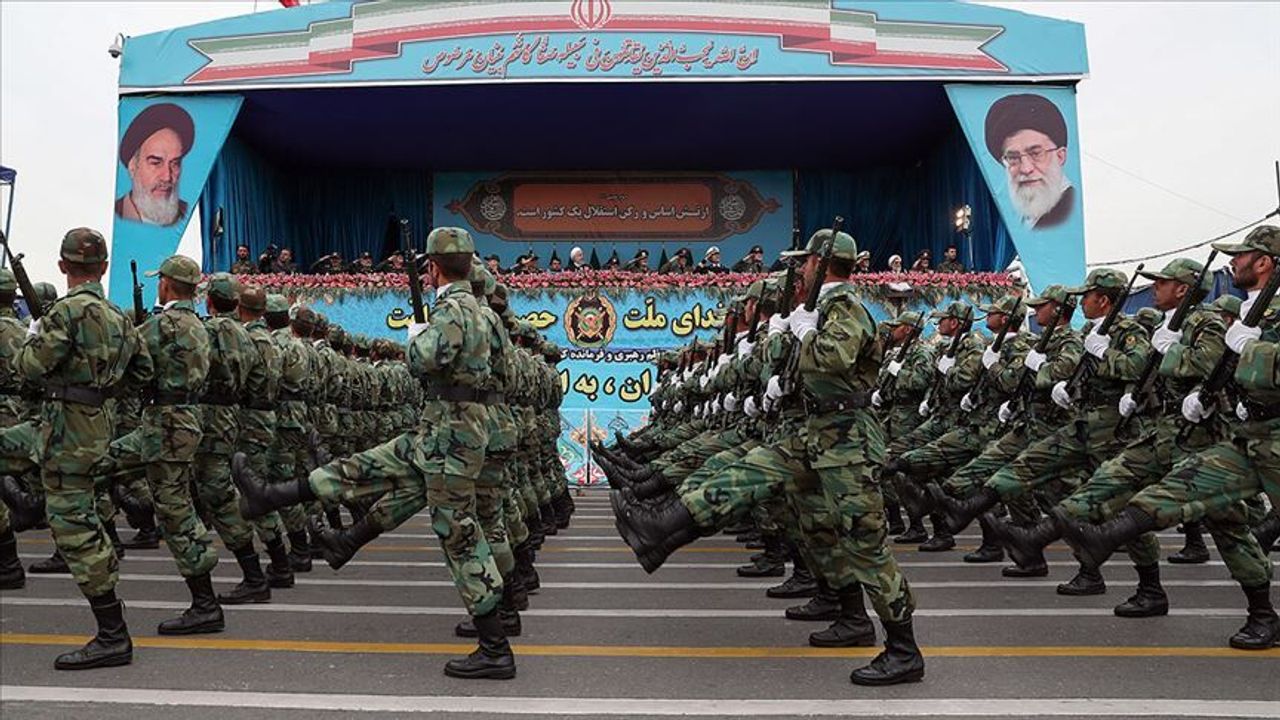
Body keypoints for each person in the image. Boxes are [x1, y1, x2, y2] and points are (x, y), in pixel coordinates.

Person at [233, 226, 515, 680]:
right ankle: (276, 497)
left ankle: (495, 647)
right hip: (449, 429)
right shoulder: (483, 313)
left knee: (458, 534)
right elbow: (494, 372)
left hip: (450, 435)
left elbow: (424, 360)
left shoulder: (453, 308)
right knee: (366, 467)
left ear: (433, 267)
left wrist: (417, 336)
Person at [0, 228, 150, 669]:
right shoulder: (119, 317)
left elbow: (29, 367)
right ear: (103, 267)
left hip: (65, 433)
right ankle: (24, 503)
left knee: (75, 532)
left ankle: (113, 635)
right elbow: (142, 373)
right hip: (90, 426)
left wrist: (35, 336)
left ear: (63, 266)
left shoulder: (63, 313)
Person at [986, 93, 1075, 229]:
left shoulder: (1070, 213)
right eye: (1013, 158)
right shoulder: (1025, 219)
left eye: (1036, 154)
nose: (1026, 169)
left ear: (1060, 156)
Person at [115, 103, 193, 226]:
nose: (167, 177)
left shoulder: (190, 216)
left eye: (175, 164)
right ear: (133, 166)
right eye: (156, 163)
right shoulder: (113, 216)